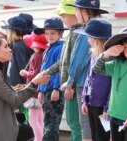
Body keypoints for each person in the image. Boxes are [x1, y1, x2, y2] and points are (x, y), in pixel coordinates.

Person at [65, 0, 108, 140]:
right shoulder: (101, 28)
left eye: (76, 10)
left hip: (84, 84)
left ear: (84, 12)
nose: (75, 14)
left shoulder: (87, 32)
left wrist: (70, 81)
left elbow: (78, 61)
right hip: (97, 86)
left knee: (86, 125)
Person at [46, 0, 83, 140]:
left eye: (63, 15)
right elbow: (63, 61)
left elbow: (77, 63)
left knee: (76, 124)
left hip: (72, 87)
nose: (62, 19)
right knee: (72, 122)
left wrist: (70, 84)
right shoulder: (72, 33)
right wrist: (47, 72)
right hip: (68, 86)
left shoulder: (79, 34)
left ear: (73, 13)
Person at [76, 18, 112, 141]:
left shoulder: (111, 58)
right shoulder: (93, 54)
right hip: (91, 102)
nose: (87, 39)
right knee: (95, 135)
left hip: (102, 105)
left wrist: (107, 108)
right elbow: (89, 78)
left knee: (102, 137)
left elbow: (113, 85)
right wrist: (84, 100)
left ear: (96, 39)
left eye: (89, 36)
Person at [35, 17, 67, 141]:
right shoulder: (48, 49)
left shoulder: (61, 48)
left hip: (54, 91)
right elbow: (43, 70)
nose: (49, 36)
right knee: (47, 121)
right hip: (46, 90)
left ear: (60, 33)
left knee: (52, 124)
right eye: (47, 33)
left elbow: (61, 69)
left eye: (53, 33)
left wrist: (56, 88)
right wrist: (40, 90)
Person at [20, 32, 48, 141]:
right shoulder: (43, 55)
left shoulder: (37, 56)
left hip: (34, 91)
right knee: (40, 118)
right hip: (40, 91)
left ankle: (38, 139)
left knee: (33, 120)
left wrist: (25, 73)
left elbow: (35, 74)